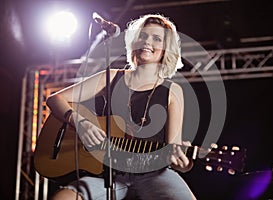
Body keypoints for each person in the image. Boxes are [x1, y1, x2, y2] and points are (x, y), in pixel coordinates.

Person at [46, 13, 196, 200]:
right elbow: (54, 99)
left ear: (166, 49)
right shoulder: (111, 77)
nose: (147, 41)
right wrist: (80, 122)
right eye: (143, 35)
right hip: (107, 173)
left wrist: (183, 162)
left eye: (157, 38)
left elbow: (174, 149)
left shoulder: (173, 91)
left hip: (153, 175)